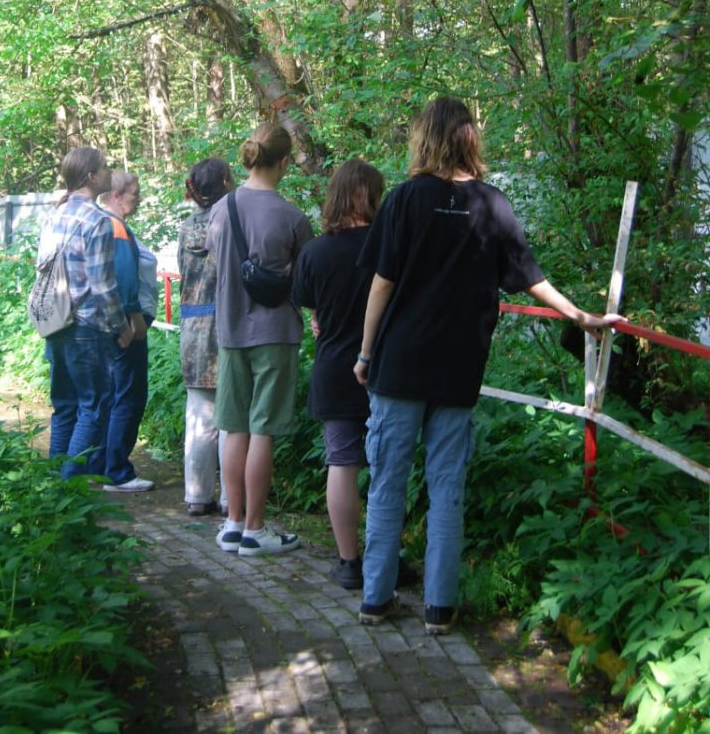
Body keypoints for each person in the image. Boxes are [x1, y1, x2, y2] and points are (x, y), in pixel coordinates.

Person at [353, 97, 623, 633]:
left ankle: (375, 599)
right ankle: (439, 609)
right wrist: (579, 314)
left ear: (424, 138)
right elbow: (529, 277)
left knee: (388, 482)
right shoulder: (492, 204)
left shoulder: (404, 201)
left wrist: (364, 354)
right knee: (447, 486)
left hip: (401, 364)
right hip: (458, 367)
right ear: (469, 139)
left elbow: (381, 283)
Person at [207, 123, 313, 556]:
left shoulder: (220, 210)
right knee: (262, 430)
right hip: (275, 333)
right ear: (284, 163)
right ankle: (255, 528)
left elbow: (216, 267)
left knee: (234, 427)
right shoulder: (291, 217)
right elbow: (308, 281)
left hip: (230, 331)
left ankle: (233, 522)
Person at [293, 159, 385, 589]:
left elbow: (311, 307)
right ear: (372, 195)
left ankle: (349, 562)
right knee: (389, 465)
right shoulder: (387, 246)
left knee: (342, 464)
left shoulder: (314, 251)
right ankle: (386, 559)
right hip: (385, 368)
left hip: (333, 367)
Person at [38, 147, 134, 479]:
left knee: (64, 407)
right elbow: (103, 284)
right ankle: (69, 489)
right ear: (91, 177)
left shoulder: (54, 215)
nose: (109, 172)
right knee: (92, 408)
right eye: (105, 167)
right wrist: (121, 326)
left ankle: (54, 490)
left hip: (54, 322)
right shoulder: (96, 220)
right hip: (87, 327)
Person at [178, 157, 234, 516]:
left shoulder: (185, 228)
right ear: (226, 184)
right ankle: (232, 498)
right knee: (230, 415)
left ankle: (197, 495)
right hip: (225, 324)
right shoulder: (229, 223)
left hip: (192, 327)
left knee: (198, 414)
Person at [99, 170, 157, 493]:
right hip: (126, 328)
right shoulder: (116, 226)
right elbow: (124, 278)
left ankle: (102, 466)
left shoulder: (101, 221)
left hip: (106, 326)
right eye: (134, 195)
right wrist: (132, 322)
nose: (138, 200)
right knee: (129, 396)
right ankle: (118, 471)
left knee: (111, 395)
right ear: (116, 195)